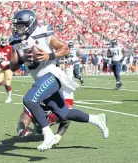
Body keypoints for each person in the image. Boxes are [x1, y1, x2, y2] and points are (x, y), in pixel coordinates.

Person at [9, 9, 109, 151]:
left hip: (52, 75)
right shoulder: (16, 40)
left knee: (29, 100)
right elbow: (12, 67)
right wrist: (21, 58)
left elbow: (65, 49)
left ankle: (47, 134)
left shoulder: (43, 32)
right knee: (64, 114)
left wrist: (49, 55)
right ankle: (97, 119)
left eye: (22, 25)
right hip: (41, 79)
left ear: (30, 24)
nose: (18, 29)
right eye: (17, 26)